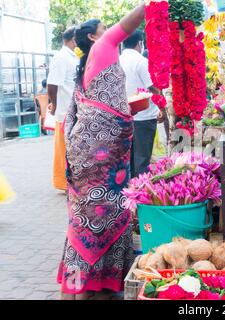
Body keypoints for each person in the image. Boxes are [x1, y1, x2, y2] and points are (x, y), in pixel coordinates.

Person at [58, 5, 145, 300]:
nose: (108, 31)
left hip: (92, 156)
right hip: (101, 158)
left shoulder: (93, 62)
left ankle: (93, 285)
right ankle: (83, 288)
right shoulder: (105, 46)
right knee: (98, 218)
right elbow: (129, 22)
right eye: (103, 28)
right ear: (95, 37)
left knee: (87, 219)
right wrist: (152, 4)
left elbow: (101, 108)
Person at [119, 30, 163, 177]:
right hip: (144, 117)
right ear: (139, 43)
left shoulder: (117, 61)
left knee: (127, 159)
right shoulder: (141, 62)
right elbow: (153, 87)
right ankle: (140, 193)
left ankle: (129, 192)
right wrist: (162, 107)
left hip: (123, 117)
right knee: (142, 160)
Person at [47, 27, 79, 192]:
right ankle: (64, 183)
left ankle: (71, 181)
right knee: (64, 150)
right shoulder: (61, 57)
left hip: (74, 110)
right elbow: (52, 84)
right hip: (65, 111)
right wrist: (54, 105)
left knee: (72, 148)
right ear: (73, 39)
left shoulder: (73, 56)